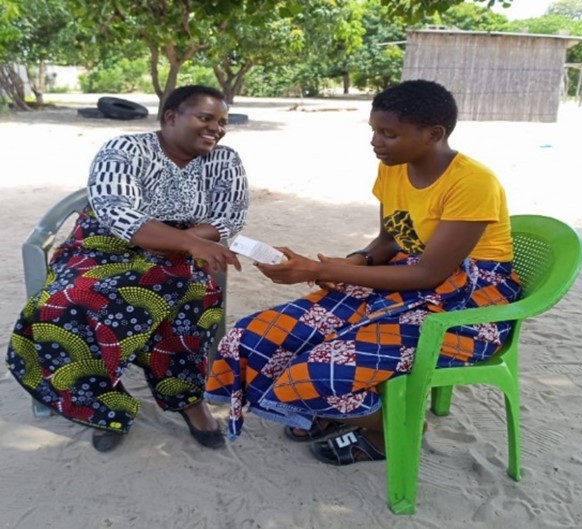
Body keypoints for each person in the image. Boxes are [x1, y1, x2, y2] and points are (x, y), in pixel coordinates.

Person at [204, 79, 521, 465]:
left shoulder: (473, 183)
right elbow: (390, 242)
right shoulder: (394, 168)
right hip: (405, 280)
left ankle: (389, 427)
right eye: (374, 130)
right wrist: (340, 267)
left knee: (320, 372)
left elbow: (429, 275)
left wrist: (319, 269)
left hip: (464, 305)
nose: (376, 142)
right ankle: (329, 410)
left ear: (433, 134)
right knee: (253, 336)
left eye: (388, 133)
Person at [6, 85, 248, 452]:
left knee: (193, 293)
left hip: (177, 252)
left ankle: (186, 398)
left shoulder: (224, 160)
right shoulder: (124, 149)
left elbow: (229, 215)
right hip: (104, 247)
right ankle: (103, 406)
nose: (216, 128)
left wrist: (185, 241)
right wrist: (188, 243)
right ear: (171, 117)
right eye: (205, 118)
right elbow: (119, 213)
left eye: (222, 122)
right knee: (70, 301)